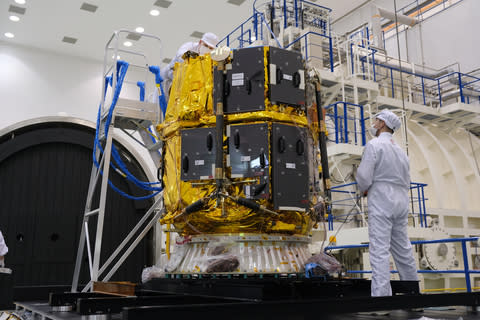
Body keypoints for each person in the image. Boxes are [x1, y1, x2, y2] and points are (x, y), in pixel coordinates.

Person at [356, 109, 418, 297]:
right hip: (401, 200)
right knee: (403, 249)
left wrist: (364, 188)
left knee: (379, 249)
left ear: (382, 123)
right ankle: (413, 294)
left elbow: (364, 177)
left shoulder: (374, 145)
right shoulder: (401, 152)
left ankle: (382, 299)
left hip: (382, 198)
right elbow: (406, 179)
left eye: (376, 120)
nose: (373, 124)